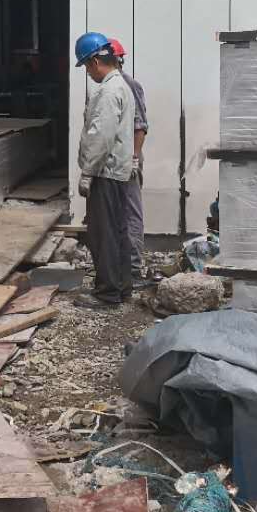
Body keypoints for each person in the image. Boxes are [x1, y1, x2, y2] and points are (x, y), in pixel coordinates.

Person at [74, 30, 136, 308]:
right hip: (117, 173)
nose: (88, 73)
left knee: (103, 234)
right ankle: (122, 288)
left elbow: (101, 135)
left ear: (95, 62)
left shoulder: (109, 91)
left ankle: (107, 293)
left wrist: (87, 171)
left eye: (87, 67)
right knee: (118, 231)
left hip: (105, 173)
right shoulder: (122, 86)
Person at [109, 38, 149, 281]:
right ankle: (121, 264)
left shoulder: (129, 85)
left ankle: (133, 268)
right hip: (114, 161)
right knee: (116, 213)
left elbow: (140, 126)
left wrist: (134, 158)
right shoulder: (109, 86)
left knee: (130, 211)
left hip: (128, 159)